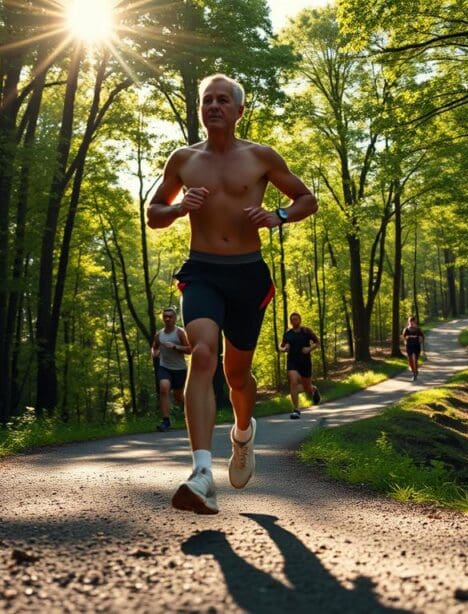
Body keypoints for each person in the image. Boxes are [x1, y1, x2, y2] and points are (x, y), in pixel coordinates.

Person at [147, 74, 318, 514]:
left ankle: (242, 434)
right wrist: (179, 208)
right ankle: (202, 474)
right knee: (203, 354)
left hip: (247, 275)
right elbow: (153, 213)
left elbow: (306, 199)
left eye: (223, 100)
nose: (214, 106)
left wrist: (279, 215)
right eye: (207, 100)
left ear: (239, 110)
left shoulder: (260, 157)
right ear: (200, 109)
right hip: (202, 271)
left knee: (237, 376)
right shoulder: (183, 159)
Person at [151, 307, 191, 432]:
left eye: (170, 316)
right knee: (164, 389)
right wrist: (155, 353)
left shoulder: (180, 333)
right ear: (163, 319)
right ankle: (166, 421)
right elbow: (154, 348)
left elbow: (190, 349)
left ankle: (189, 416)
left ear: (175, 318)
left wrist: (175, 346)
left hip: (179, 369)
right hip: (165, 367)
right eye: (165, 317)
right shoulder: (159, 335)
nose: (167, 319)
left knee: (178, 397)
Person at [279, 312, 321, 420]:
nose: (294, 321)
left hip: (305, 363)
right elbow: (282, 346)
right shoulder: (288, 333)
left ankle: (313, 389)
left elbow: (317, 342)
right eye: (292, 319)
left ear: (300, 320)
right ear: (290, 321)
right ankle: (296, 410)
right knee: (293, 382)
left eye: (296, 319)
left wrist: (309, 349)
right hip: (292, 362)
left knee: (307, 388)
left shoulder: (306, 331)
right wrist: (284, 349)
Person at [402, 316, 425, 382]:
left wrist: (420, 339)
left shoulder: (418, 329)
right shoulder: (406, 329)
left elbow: (422, 337)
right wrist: (407, 337)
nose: (411, 323)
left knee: (415, 359)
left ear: (415, 322)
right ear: (408, 322)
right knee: (410, 361)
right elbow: (404, 337)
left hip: (416, 346)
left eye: (413, 322)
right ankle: (413, 370)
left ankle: (415, 373)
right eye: (410, 322)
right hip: (409, 346)